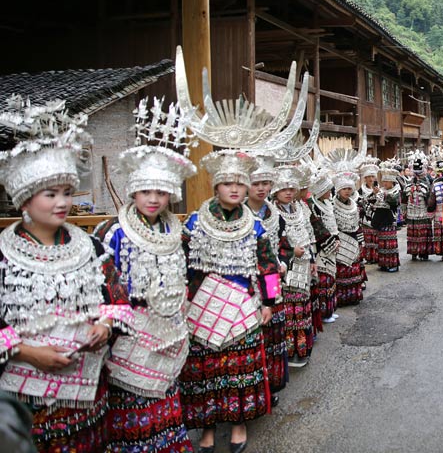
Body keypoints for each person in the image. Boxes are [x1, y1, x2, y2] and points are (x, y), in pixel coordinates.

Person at [0, 98, 131, 453]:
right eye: (50, 193)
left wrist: (104, 327)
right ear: (24, 200)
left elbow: (117, 301)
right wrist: (26, 351)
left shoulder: (89, 245)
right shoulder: (2, 254)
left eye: (67, 193)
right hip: (24, 394)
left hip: (88, 391)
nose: (62, 202)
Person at [94, 98, 195, 453]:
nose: (153, 199)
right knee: (130, 408)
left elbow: (186, 276)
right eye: (146, 191)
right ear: (133, 191)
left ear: (171, 195)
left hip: (169, 330)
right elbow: (103, 293)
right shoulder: (112, 232)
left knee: (167, 401)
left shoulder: (177, 232)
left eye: (161, 192)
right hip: (129, 335)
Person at [180, 150, 280, 453]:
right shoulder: (195, 222)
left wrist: (269, 302)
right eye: (227, 183)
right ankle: (207, 428)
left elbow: (269, 266)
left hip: (243, 306)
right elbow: (183, 266)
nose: (234, 189)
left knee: (240, 371)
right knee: (206, 372)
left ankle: (239, 424)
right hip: (202, 309)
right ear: (216, 187)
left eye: (240, 182)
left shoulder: (254, 225)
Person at [244, 154, 289, 407]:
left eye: (265, 183)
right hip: (244, 287)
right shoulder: (238, 214)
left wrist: (283, 261)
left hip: (271, 284)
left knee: (272, 336)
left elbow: (282, 246)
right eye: (255, 183)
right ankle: (250, 393)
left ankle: (270, 386)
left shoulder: (274, 215)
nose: (261, 188)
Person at [271, 165, 316, 369]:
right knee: (290, 313)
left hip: (304, 265)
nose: (288, 192)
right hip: (285, 271)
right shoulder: (271, 213)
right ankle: (290, 352)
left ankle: (302, 349)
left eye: (291, 188)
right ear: (275, 192)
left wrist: (312, 259)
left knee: (303, 310)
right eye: (283, 189)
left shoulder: (299, 208)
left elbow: (308, 234)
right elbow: (271, 246)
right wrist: (290, 254)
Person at [308, 169, 339, 324]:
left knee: (331, 278)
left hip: (331, 245)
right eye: (327, 190)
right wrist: (331, 242)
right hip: (322, 248)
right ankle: (324, 312)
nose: (330, 192)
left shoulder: (327, 203)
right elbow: (318, 227)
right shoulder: (313, 206)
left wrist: (337, 238)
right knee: (324, 280)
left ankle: (330, 309)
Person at [333, 169, 365, 306]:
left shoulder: (354, 204)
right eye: (344, 188)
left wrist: (360, 241)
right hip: (340, 239)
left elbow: (358, 224)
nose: (347, 191)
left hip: (353, 238)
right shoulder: (332, 205)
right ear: (338, 190)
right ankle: (341, 298)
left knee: (353, 267)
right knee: (342, 269)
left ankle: (353, 295)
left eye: (349, 189)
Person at [402, 150, 433, 260]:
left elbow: (429, 197)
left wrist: (430, 210)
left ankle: (423, 252)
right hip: (411, 211)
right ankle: (414, 251)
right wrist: (404, 211)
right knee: (413, 232)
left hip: (423, 211)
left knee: (423, 232)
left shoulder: (427, 182)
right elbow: (404, 199)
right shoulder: (409, 184)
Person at [373, 162, 402, 272]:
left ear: (392, 182)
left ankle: (393, 264)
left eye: (387, 181)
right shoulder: (382, 190)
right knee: (382, 243)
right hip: (381, 220)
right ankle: (384, 263)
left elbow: (394, 200)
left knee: (390, 244)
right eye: (383, 181)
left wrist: (381, 194)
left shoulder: (396, 191)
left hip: (389, 220)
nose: (384, 183)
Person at [357, 159, 380, 265]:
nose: (371, 179)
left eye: (372, 176)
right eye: (368, 177)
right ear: (365, 178)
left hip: (376, 218)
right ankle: (368, 257)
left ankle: (377, 256)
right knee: (367, 239)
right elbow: (360, 203)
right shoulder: (360, 191)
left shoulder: (379, 190)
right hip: (365, 219)